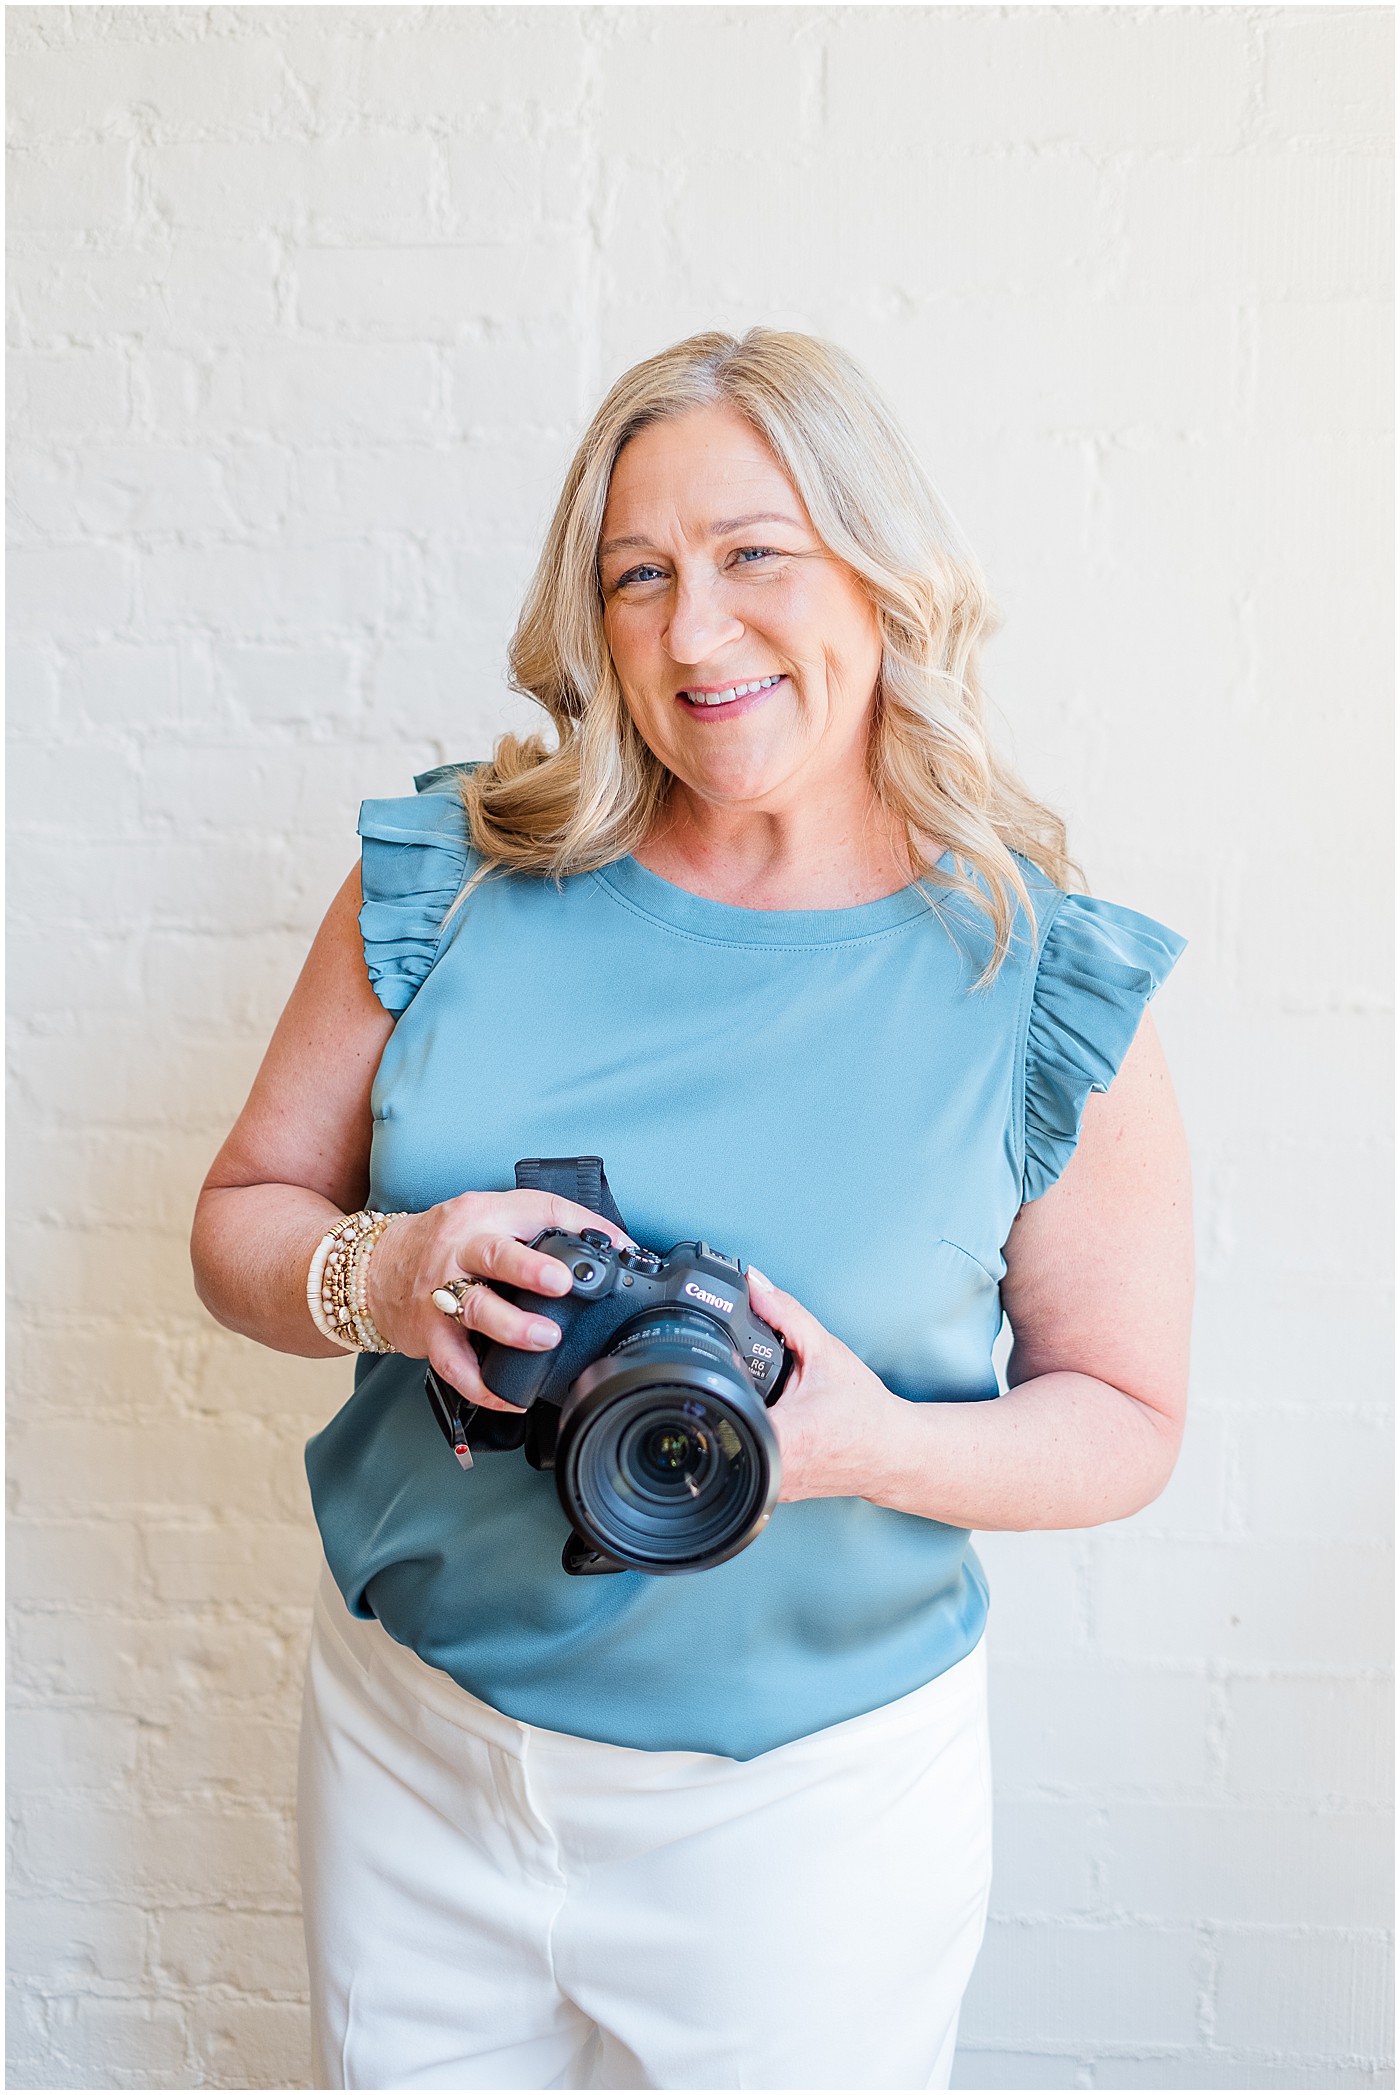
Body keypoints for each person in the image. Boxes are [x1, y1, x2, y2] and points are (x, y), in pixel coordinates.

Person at [190, 327, 1192, 2092]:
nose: (693, 631)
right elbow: (244, 1218)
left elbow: (1124, 1420)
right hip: (418, 1753)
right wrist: (388, 1272)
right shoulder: (454, 876)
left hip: (805, 1823)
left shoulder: (1035, 984)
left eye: (753, 556)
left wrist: (862, 1443)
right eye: (637, 575)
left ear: (881, 573)